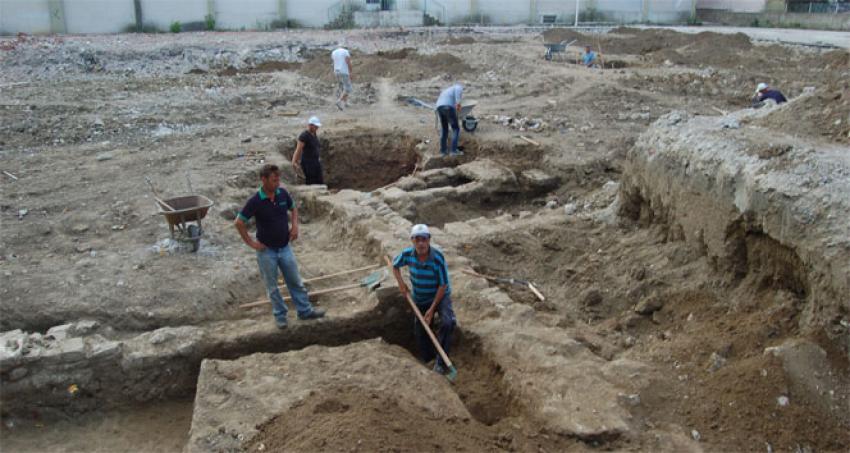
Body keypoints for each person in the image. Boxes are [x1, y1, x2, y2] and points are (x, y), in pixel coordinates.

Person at [234, 164, 325, 329]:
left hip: (285, 247)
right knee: (273, 287)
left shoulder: (282, 194)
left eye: (278, 179)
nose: (277, 183)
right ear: (264, 180)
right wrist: (252, 243)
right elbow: (239, 222)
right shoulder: (255, 201)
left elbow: (293, 208)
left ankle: (304, 310)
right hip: (266, 251)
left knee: (295, 281)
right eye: (274, 180)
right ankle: (280, 315)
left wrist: (295, 226)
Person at [391, 224, 457, 375]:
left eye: (424, 239)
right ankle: (428, 358)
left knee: (448, 322)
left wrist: (432, 309)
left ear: (429, 240)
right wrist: (401, 284)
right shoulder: (408, 254)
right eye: (417, 240)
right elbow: (395, 266)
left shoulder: (438, 258)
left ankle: (441, 362)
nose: (421, 243)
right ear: (412, 241)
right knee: (420, 330)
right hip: (420, 297)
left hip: (439, 296)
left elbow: (443, 285)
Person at [291, 116, 324, 186]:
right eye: (316, 126)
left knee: (319, 180)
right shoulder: (304, 136)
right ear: (311, 125)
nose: (317, 128)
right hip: (308, 162)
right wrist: (294, 161)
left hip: (315, 161)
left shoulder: (314, 134)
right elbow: (298, 149)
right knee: (311, 180)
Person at [435, 83, 463, 156]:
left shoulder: (447, 90)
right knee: (455, 129)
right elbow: (458, 102)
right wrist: (458, 110)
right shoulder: (458, 87)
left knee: (444, 129)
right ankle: (453, 151)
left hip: (439, 107)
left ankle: (443, 151)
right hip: (448, 107)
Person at [331, 46, 352, 110]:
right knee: (348, 88)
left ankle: (345, 103)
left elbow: (334, 62)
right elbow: (348, 62)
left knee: (342, 87)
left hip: (336, 71)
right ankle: (339, 102)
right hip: (344, 72)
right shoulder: (346, 52)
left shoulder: (333, 52)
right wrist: (351, 72)